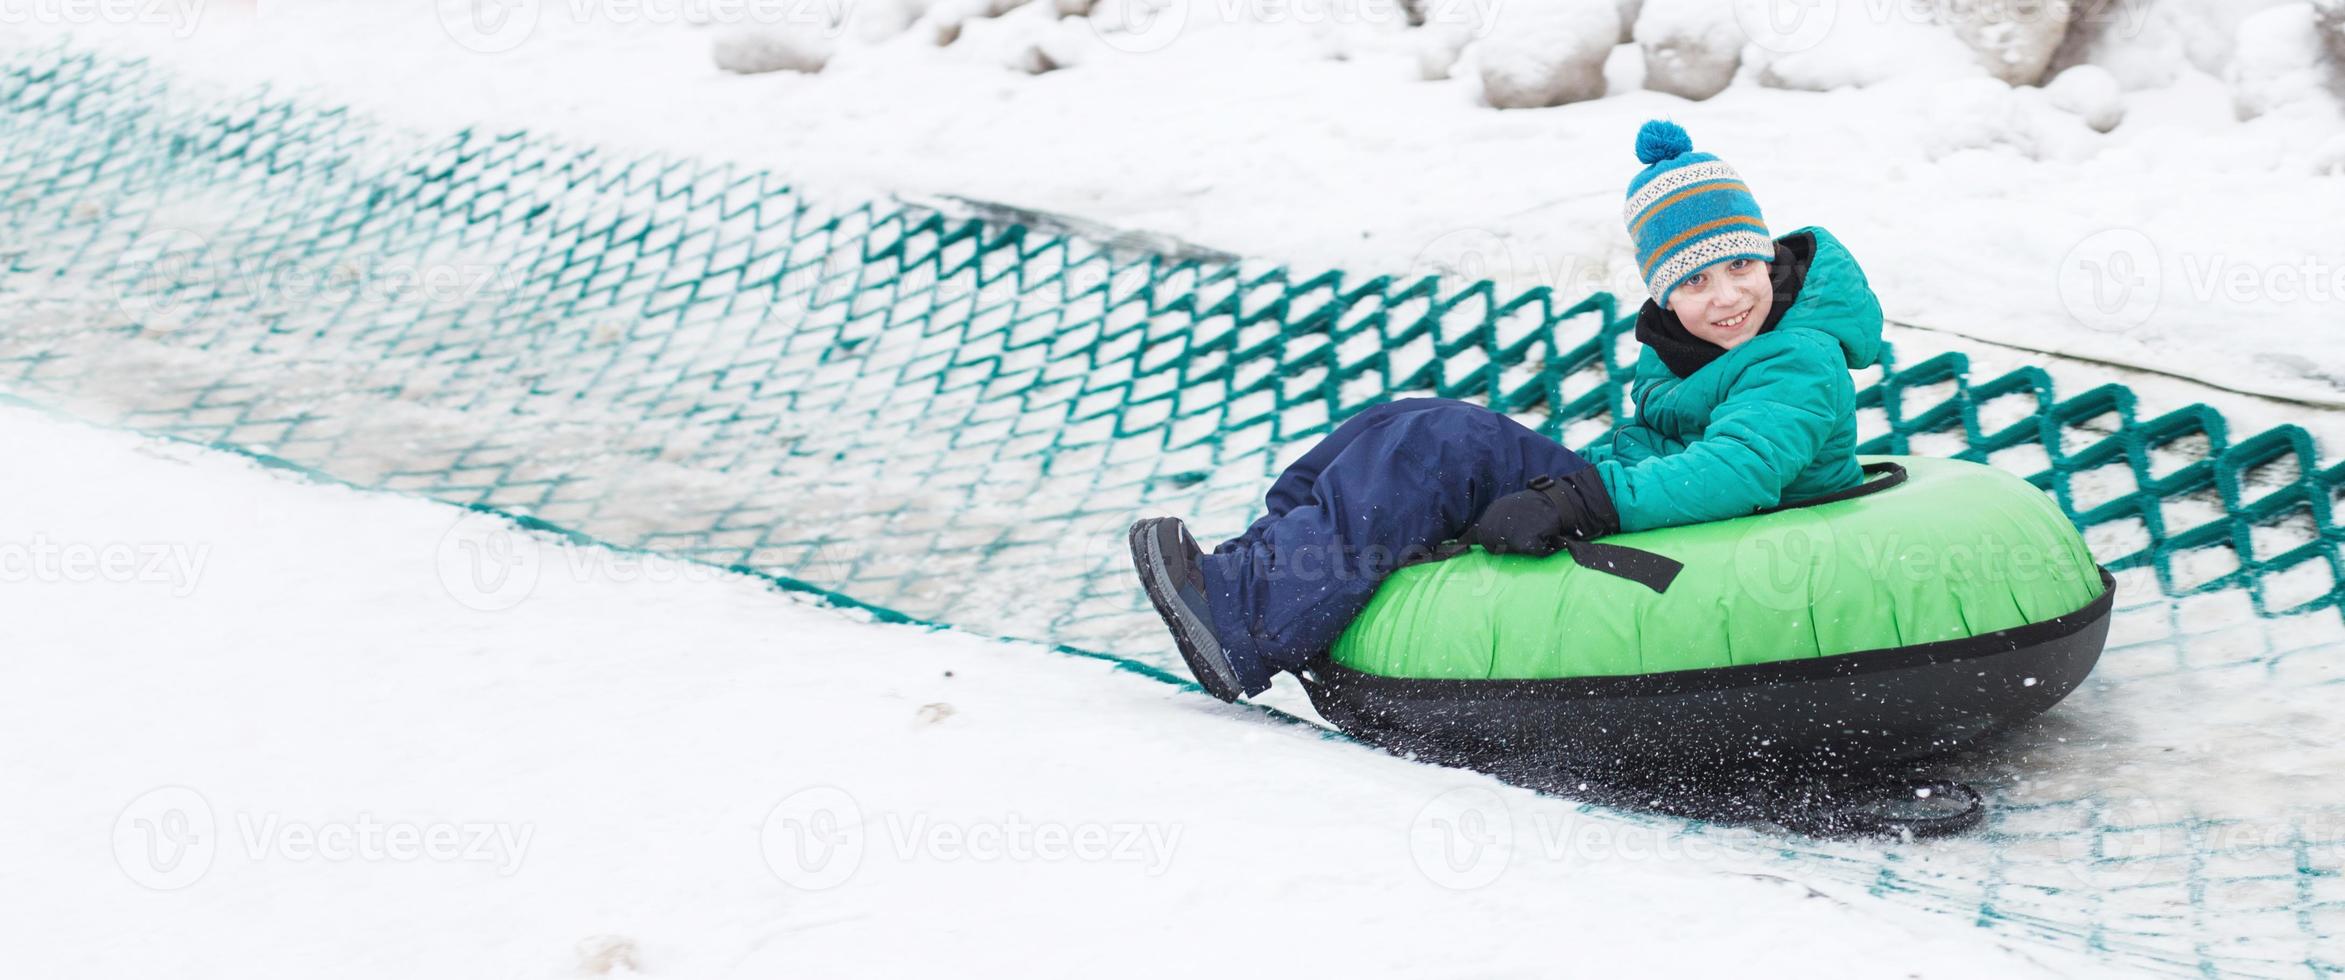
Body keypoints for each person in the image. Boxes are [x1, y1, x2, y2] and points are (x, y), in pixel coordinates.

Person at [1128, 119, 1886, 703]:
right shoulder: (1687, 347)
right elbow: (1655, 442)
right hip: (1650, 498)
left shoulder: (1795, 357)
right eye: (1692, 282)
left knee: (1439, 445)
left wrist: (1580, 498)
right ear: (1660, 291)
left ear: (1767, 257)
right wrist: (1582, 484)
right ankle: (1260, 567)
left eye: (1740, 266)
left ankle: (1248, 625)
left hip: (1742, 525)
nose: (1724, 297)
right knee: (1398, 420)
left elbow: (1738, 471)